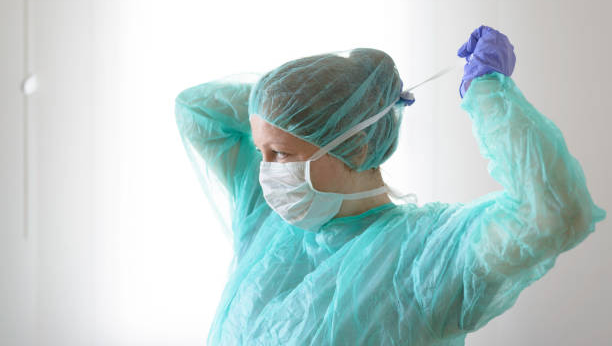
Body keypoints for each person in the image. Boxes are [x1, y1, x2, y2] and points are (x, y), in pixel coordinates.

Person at [174, 25, 606, 345]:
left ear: (358, 147)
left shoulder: (426, 256)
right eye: (261, 151)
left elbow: (552, 214)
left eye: (283, 155)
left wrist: (489, 96)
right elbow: (197, 111)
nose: (265, 171)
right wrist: (290, 107)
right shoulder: (268, 220)